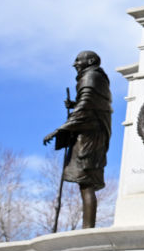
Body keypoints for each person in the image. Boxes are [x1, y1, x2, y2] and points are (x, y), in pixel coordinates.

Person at [43, 50, 112, 230]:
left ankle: (88, 229)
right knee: (85, 183)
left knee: (86, 181)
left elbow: (86, 108)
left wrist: (60, 129)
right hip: (93, 134)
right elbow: (92, 104)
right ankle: (87, 227)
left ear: (90, 61)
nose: (74, 64)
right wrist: (74, 105)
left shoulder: (91, 77)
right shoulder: (98, 78)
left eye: (77, 60)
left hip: (88, 137)